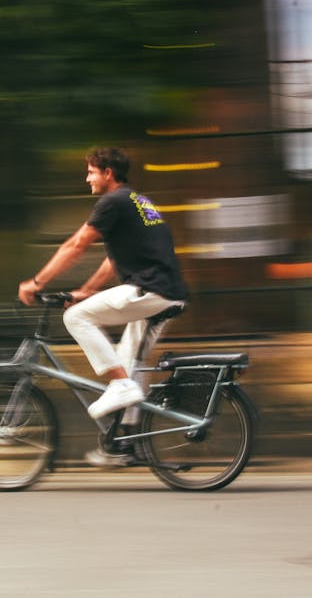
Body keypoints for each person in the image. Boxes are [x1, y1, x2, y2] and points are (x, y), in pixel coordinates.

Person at [18, 146, 188, 467]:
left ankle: (120, 386)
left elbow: (77, 244)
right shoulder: (139, 202)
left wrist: (37, 282)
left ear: (108, 173)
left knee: (76, 317)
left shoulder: (112, 201)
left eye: (91, 172)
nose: (87, 178)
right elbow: (115, 259)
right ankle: (126, 443)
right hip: (169, 292)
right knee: (127, 359)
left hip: (149, 291)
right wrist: (86, 290)